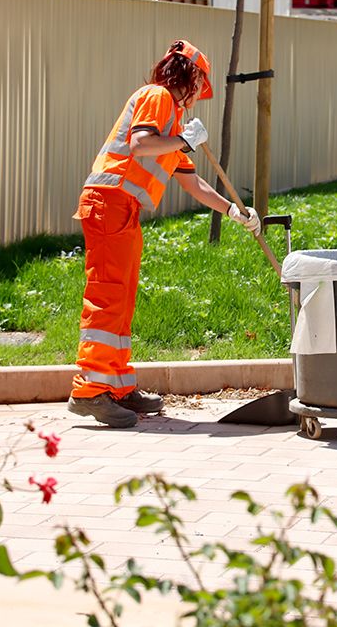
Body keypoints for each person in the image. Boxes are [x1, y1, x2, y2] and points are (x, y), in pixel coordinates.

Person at [67, 40, 261, 428]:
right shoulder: (158, 97)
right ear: (187, 77)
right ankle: (89, 390)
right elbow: (140, 145)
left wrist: (234, 210)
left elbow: (193, 184)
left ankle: (117, 387)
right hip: (109, 202)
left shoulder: (173, 124)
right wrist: (183, 140)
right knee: (107, 296)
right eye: (197, 87)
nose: (196, 98)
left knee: (121, 298)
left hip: (122, 208)